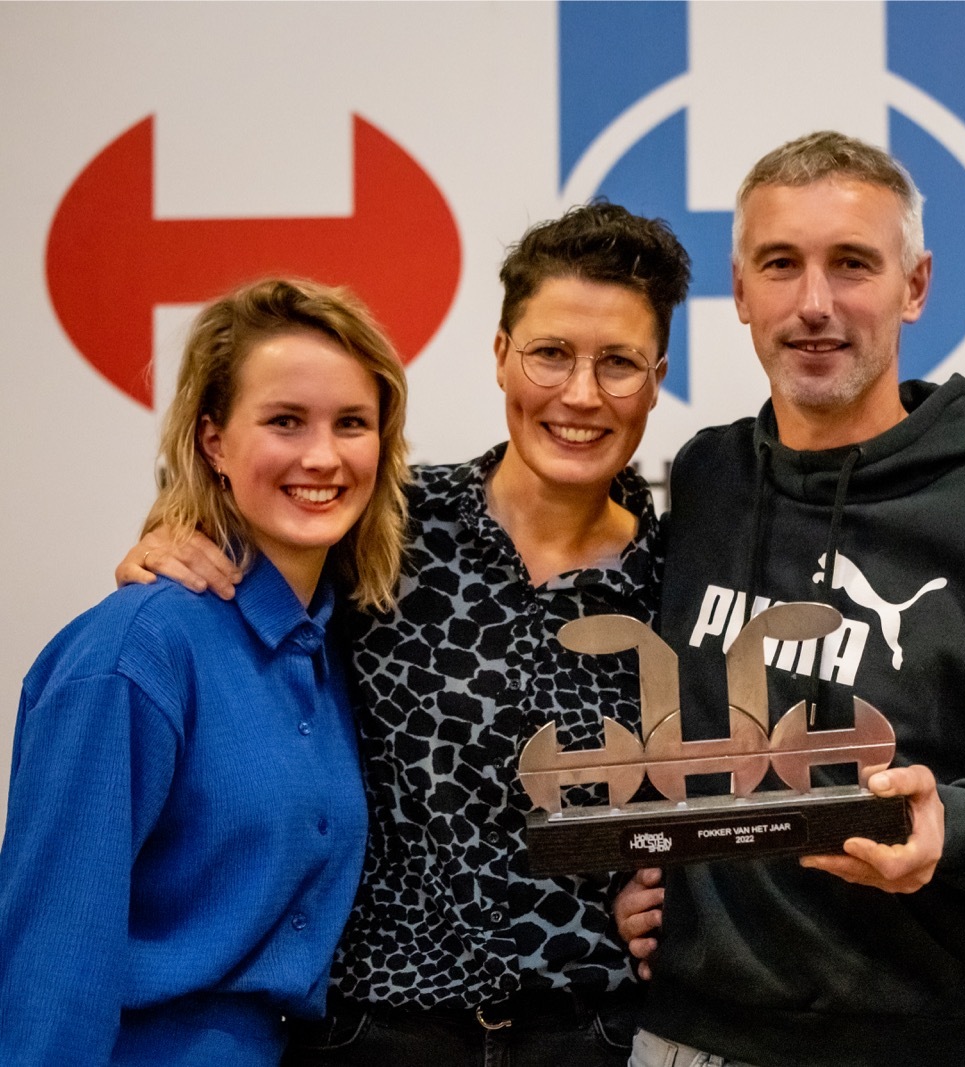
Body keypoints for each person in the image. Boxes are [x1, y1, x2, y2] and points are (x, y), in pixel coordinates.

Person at [619, 131, 965, 1067]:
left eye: (853, 265)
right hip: (686, 1035)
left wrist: (955, 823)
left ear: (915, 286)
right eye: (781, 265)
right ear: (740, 291)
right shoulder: (708, 477)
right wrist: (640, 874)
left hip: (922, 1044)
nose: (815, 305)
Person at [114, 204, 692, 1066]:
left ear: (657, 377)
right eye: (551, 354)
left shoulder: (679, 576)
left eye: (619, 363)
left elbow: (728, 785)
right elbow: (246, 547)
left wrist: (674, 880)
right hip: (370, 1030)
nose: (581, 394)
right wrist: (171, 535)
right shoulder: (386, 521)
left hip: (587, 1032)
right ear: (500, 354)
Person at [0, 278, 410, 1065]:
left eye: (351, 423)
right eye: (285, 421)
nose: (322, 456)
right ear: (213, 439)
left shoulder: (337, 640)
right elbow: (53, 960)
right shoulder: (131, 654)